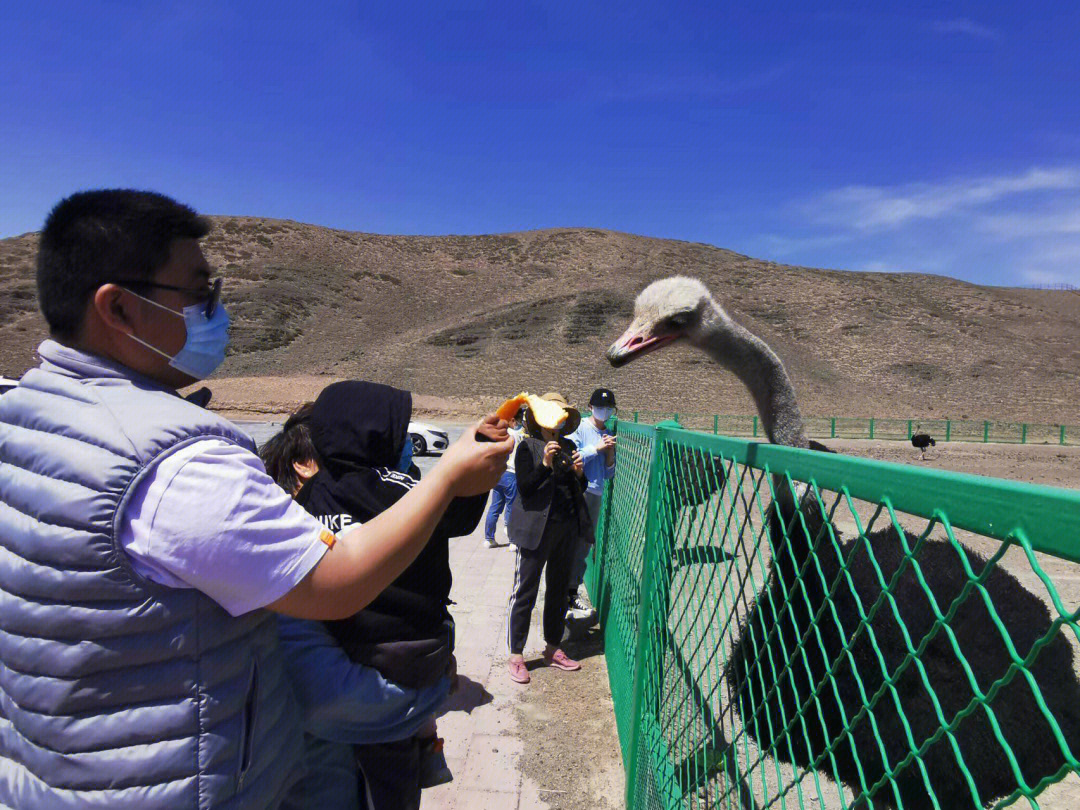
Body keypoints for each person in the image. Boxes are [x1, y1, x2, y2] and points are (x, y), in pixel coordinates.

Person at [0, 189, 512, 809]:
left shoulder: (28, 417)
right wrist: (447, 477)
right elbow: (335, 583)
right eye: (199, 292)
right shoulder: (177, 465)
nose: (216, 310)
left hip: (60, 774)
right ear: (119, 309)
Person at [262, 382, 486, 810]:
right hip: (410, 655)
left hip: (347, 644)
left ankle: (417, 757)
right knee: (393, 764)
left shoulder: (306, 501)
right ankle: (420, 761)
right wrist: (474, 466)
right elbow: (457, 511)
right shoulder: (404, 487)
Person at [505, 392, 590, 684]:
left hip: (565, 529)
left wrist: (579, 474)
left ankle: (552, 649)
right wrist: (544, 463)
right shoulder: (526, 447)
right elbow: (525, 489)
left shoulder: (568, 445)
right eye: (550, 416)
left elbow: (579, 486)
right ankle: (516, 655)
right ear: (538, 420)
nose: (555, 424)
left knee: (557, 589)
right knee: (525, 591)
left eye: (560, 417)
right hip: (534, 531)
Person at [566, 388, 617, 624]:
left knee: (585, 543)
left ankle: (572, 592)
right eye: (600, 407)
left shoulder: (607, 433)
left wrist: (609, 453)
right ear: (591, 406)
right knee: (570, 539)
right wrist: (595, 448)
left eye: (608, 408)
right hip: (579, 489)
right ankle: (563, 589)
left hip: (596, 492)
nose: (604, 411)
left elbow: (608, 474)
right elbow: (572, 457)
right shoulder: (581, 428)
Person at [483, 406, 525, 547]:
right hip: (512, 474)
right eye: (519, 419)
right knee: (511, 507)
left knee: (494, 507)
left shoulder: (501, 433)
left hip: (499, 474)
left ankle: (488, 539)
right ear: (514, 419)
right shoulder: (520, 434)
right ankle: (512, 540)